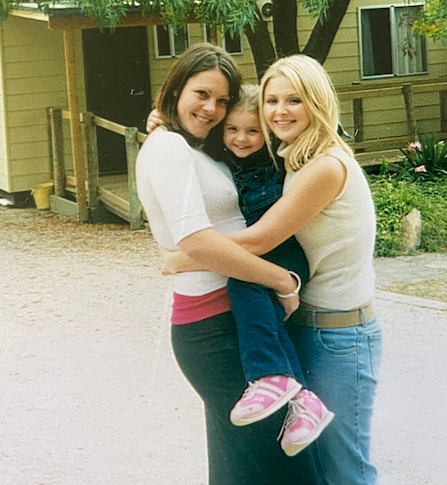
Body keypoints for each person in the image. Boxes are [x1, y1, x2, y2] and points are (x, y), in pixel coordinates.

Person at [162, 54, 382, 484]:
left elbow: (261, 240)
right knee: (313, 463)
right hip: (306, 322)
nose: (279, 111)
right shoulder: (293, 158)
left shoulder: (325, 166)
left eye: (294, 100)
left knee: (344, 468)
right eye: (272, 100)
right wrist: (164, 120)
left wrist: (186, 256)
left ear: (317, 102)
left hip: (339, 335)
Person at [134, 43, 317, 484]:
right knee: (281, 461)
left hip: (237, 317)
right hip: (212, 327)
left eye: (220, 99)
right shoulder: (169, 148)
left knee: (244, 462)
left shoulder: (197, 149)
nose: (211, 108)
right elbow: (195, 240)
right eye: (201, 94)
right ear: (175, 88)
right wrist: (281, 280)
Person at [202, 84, 334, 456]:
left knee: (242, 284)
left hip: (287, 252)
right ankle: (305, 400)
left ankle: (269, 376)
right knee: (266, 317)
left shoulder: (279, 158)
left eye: (252, 130)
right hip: (261, 252)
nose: (242, 139)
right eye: (232, 130)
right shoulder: (221, 158)